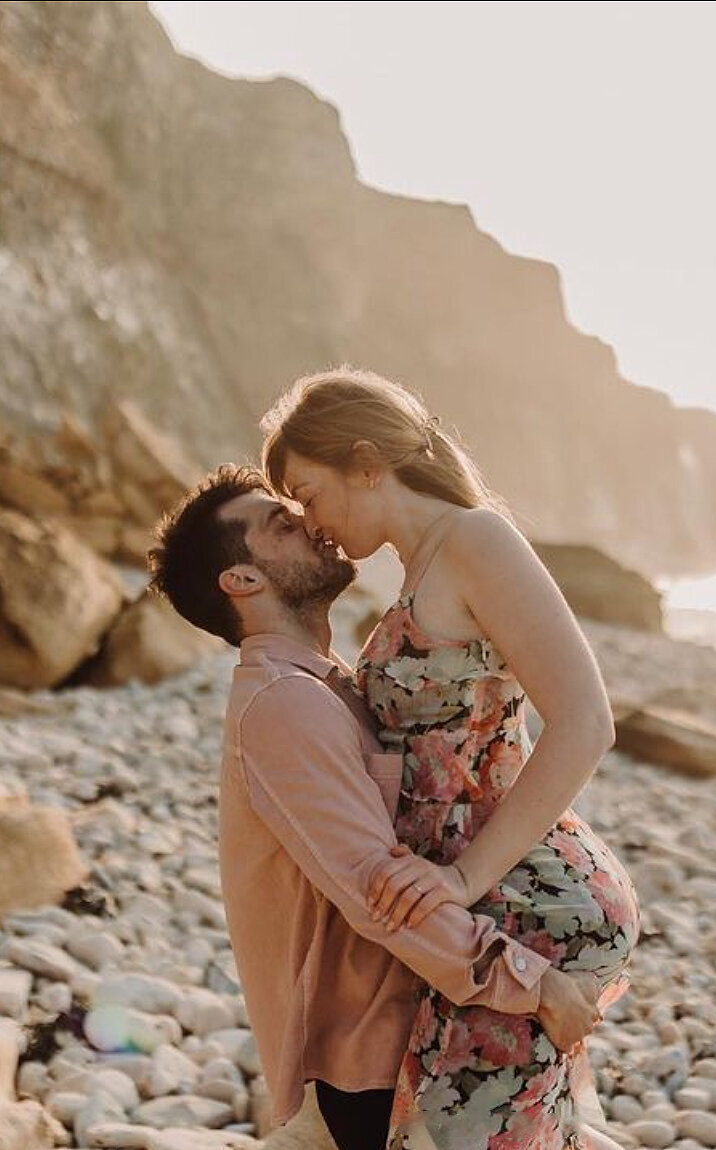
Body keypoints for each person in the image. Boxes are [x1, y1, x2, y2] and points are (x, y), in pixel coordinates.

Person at [147, 465, 605, 1150]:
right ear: (243, 582)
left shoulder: (329, 684)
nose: (307, 522)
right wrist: (532, 985)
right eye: (279, 523)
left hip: (410, 1027)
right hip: (367, 1062)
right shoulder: (283, 705)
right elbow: (376, 891)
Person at [261, 366, 642, 1150]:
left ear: (368, 463)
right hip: (478, 907)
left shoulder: (475, 539)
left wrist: (464, 878)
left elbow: (585, 722)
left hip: (535, 903)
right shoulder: (422, 567)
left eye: (308, 492)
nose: (310, 521)